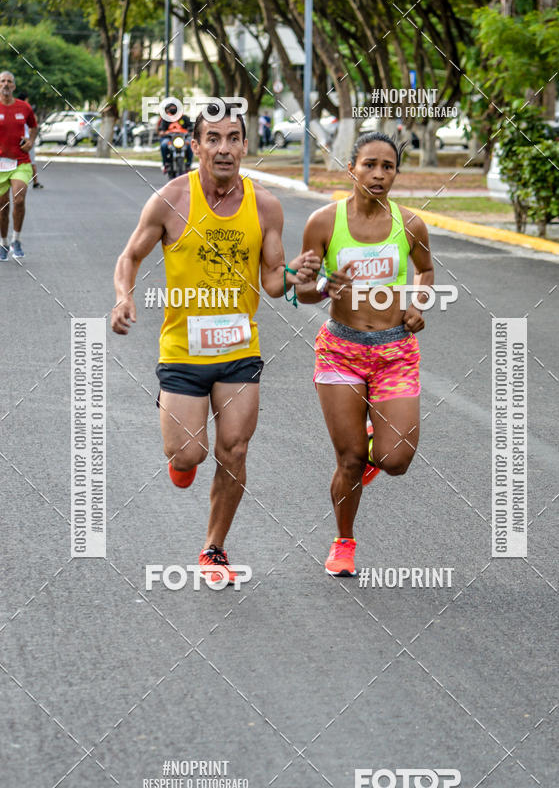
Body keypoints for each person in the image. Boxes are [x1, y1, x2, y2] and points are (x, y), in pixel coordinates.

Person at [111, 102, 319, 584]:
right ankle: (177, 439)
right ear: (196, 145)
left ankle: (214, 547)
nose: (224, 148)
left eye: (233, 138)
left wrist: (296, 276)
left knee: (235, 450)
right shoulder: (170, 200)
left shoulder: (264, 205)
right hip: (183, 352)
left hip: (238, 351)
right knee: (188, 456)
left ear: (246, 146)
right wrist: (123, 297)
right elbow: (129, 255)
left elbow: (272, 281)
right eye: (214, 138)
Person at [297, 132, 434, 577]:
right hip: (341, 350)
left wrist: (417, 304)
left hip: (394, 350)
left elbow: (427, 270)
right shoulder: (323, 222)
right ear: (351, 168)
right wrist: (322, 287)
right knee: (350, 461)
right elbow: (301, 289)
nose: (378, 174)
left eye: (387, 166)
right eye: (369, 164)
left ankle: (375, 437)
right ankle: (344, 541)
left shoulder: (410, 224)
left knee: (394, 461)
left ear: (396, 172)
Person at [0, 71, 38, 260]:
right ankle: (4, 243)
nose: (6, 84)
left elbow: (34, 126)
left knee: (19, 199)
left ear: (14, 86)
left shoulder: (24, 107)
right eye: (2, 81)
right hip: (0, 164)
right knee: (3, 207)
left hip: (20, 162)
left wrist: (30, 141)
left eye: (9, 82)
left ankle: (16, 240)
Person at [16, 91, 42, 188]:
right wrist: (31, 140)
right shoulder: (27, 109)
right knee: (32, 162)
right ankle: (35, 182)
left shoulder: (17, 109)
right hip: (26, 140)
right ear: (26, 99)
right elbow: (33, 127)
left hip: (19, 140)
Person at [158, 103, 193, 173]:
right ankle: (166, 164)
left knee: (190, 145)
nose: (173, 110)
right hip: (170, 139)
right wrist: (163, 132)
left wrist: (191, 132)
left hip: (183, 138)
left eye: (175, 108)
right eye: (171, 108)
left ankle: (188, 165)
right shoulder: (165, 119)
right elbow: (161, 130)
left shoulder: (184, 118)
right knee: (164, 145)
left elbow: (191, 128)